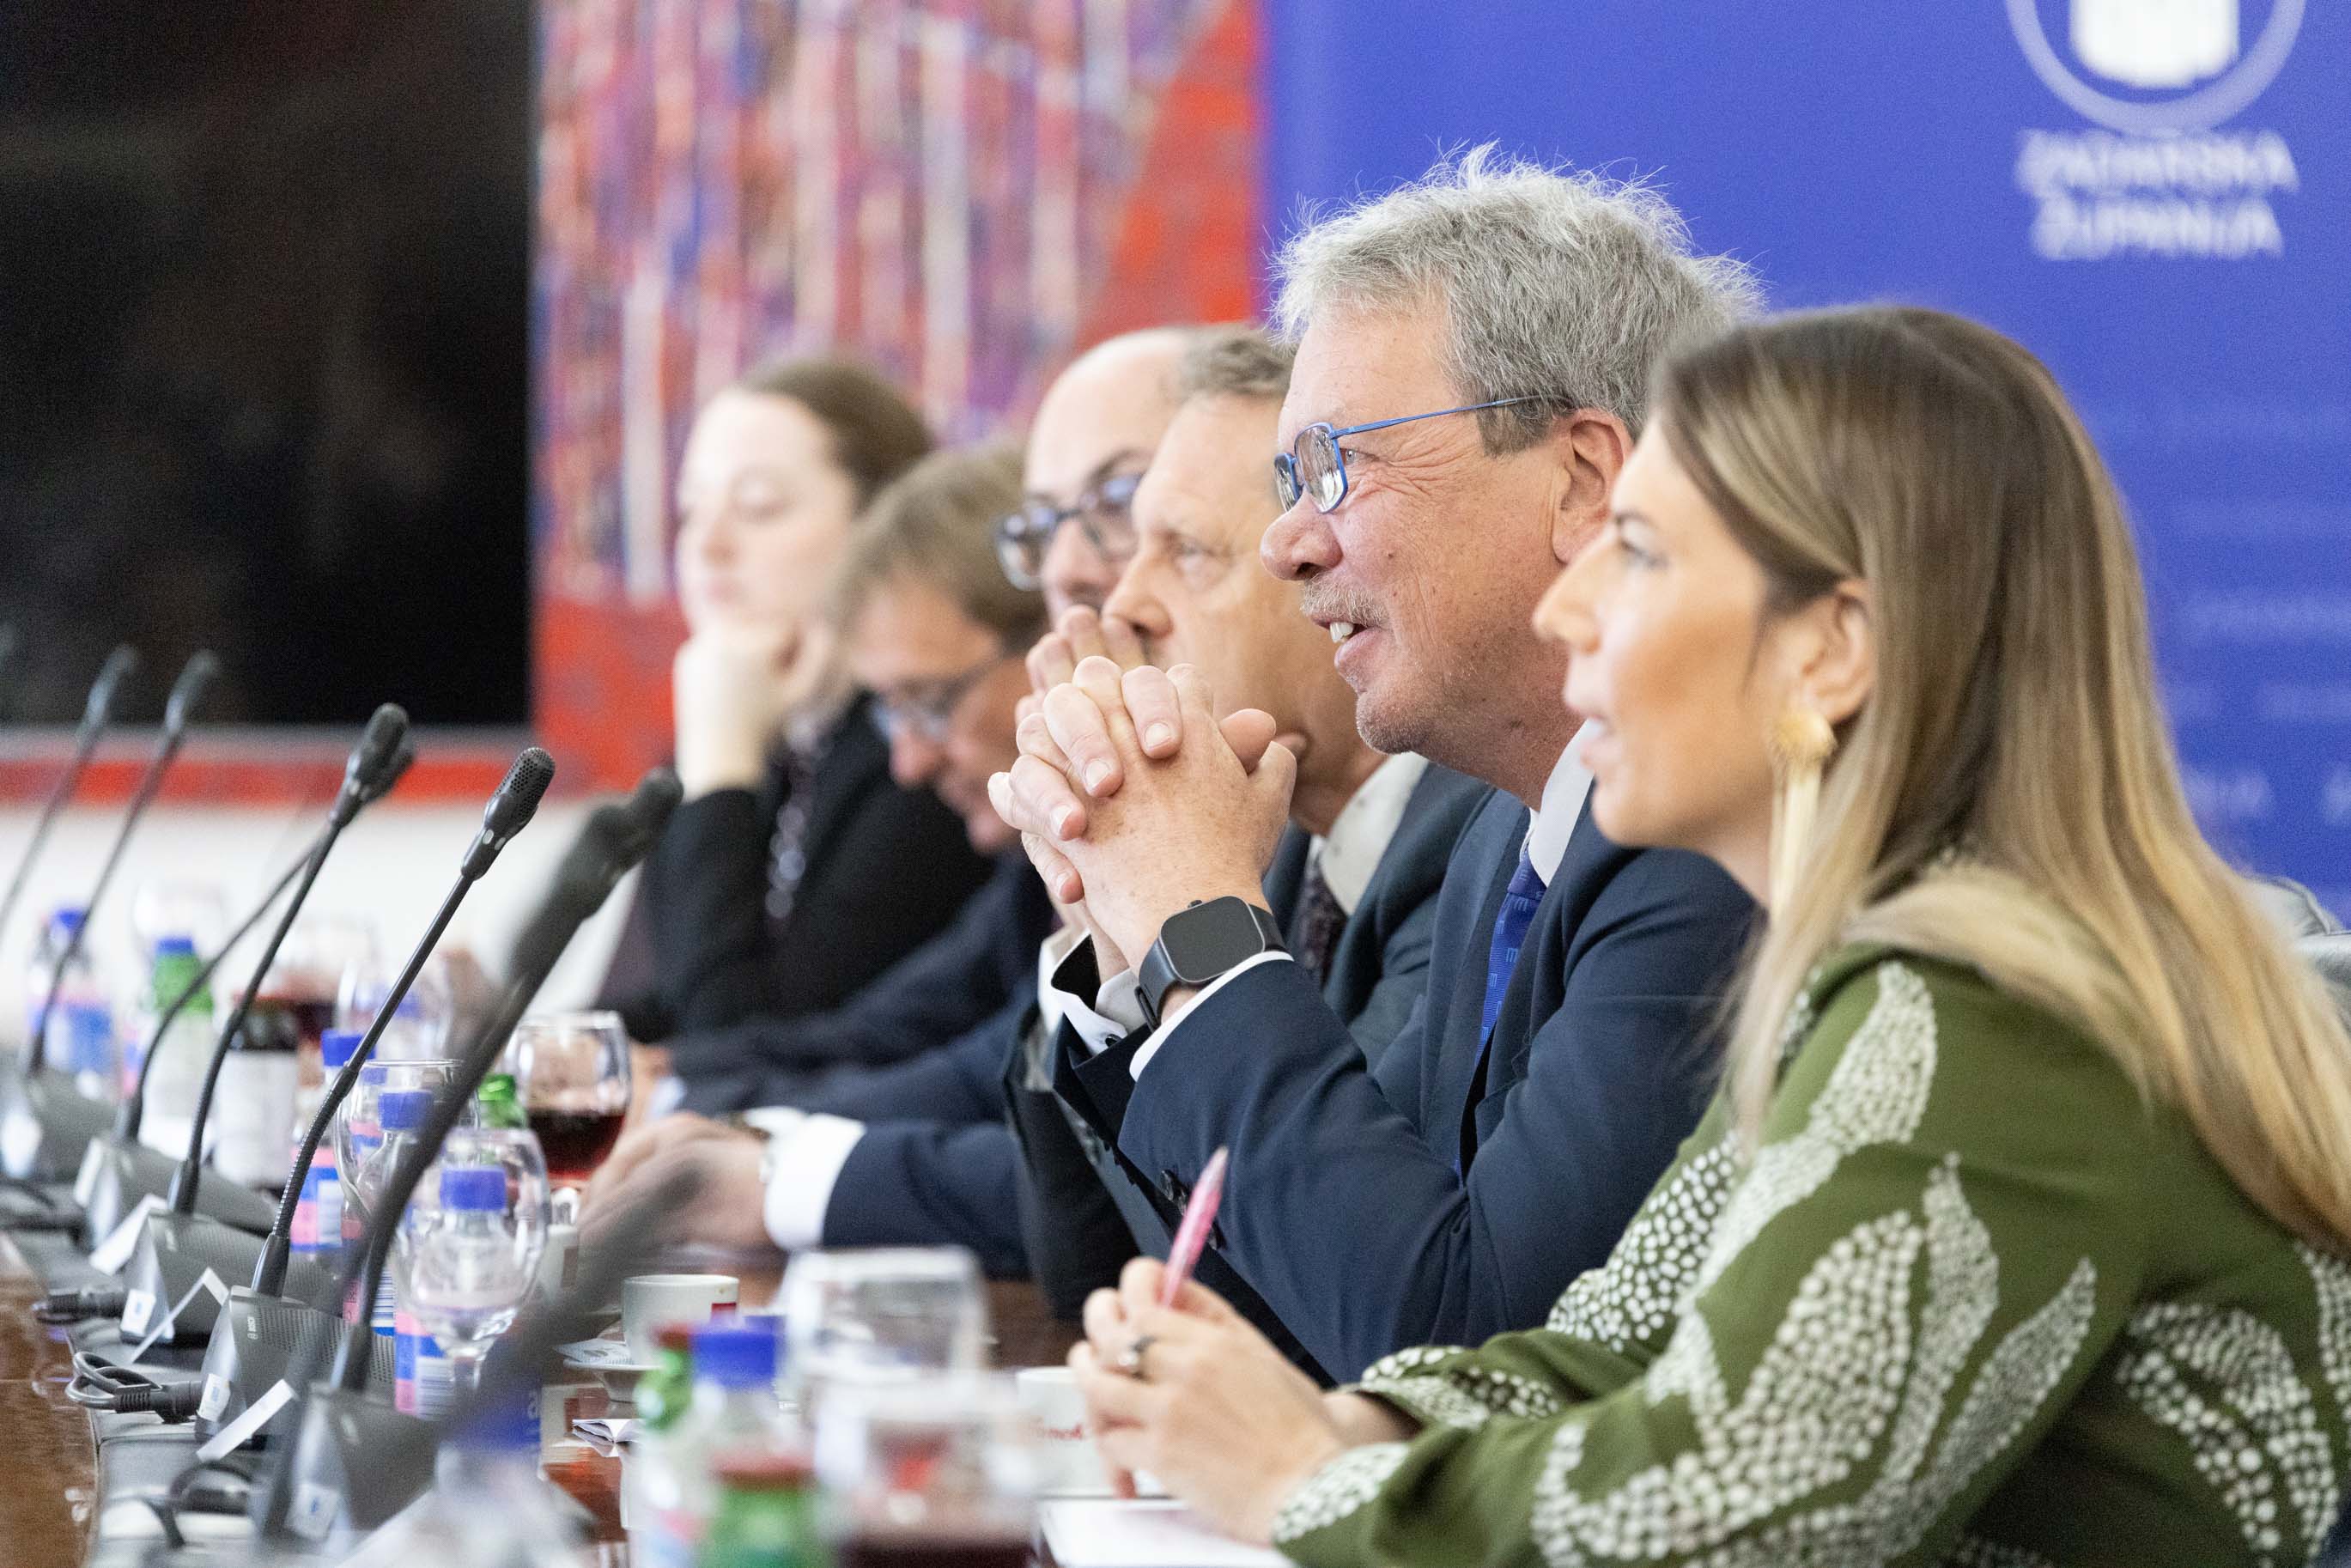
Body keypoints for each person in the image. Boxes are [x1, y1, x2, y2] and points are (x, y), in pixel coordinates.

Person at [1058, 307, 2351, 1566]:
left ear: (1831, 649)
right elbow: (1617, 1351)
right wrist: (1353, 1426)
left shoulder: (2002, 1008)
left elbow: (1717, 1507)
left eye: (1638, 554)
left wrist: (1299, 1475)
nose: (1569, 612)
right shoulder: (1885, 977)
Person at [993, 151, 1760, 1380]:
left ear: (1582, 480)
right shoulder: (1503, 837)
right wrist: (1127, 936)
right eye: (1288, 483)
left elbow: (1475, 1354)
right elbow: (1284, 1309)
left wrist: (1202, 931)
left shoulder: (1714, 842)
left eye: (1335, 467)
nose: (1287, 543)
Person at [588, 330, 1485, 1307]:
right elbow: (1093, 1234)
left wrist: (775, 1171)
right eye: (1048, 523)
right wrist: (1111, 934)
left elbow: (1337, 1257)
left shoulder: (1458, 842)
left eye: (1147, 528)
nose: (1100, 588)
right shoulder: (1279, 841)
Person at [651, 442, 1054, 1112]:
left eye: (931, 702)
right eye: (688, 509)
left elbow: (984, 1094)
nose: (910, 765)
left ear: (1058, 633)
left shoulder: (922, 818)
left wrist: (705, 1112)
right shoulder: (1023, 884)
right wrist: (662, 1078)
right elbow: (873, 1036)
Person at [598, 359, 992, 1046]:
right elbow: (649, 1007)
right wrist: (506, 1041)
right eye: (691, 511)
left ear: (881, 527)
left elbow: (730, 1037)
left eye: (759, 507)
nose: (708, 546)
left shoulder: (925, 757)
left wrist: (720, 760)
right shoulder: (771, 733)